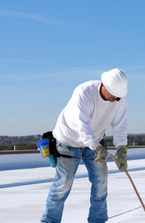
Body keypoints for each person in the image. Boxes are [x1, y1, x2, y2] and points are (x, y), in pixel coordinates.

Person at [41, 68, 129, 223]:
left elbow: (120, 126)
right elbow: (82, 127)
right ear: (105, 86)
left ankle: (98, 220)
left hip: (95, 142)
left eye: (118, 97)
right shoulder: (84, 92)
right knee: (63, 185)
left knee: (101, 181)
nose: (115, 99)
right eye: (113, 95)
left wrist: (121, 148)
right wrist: (96, 147)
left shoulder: (119, 99)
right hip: (68, 140)